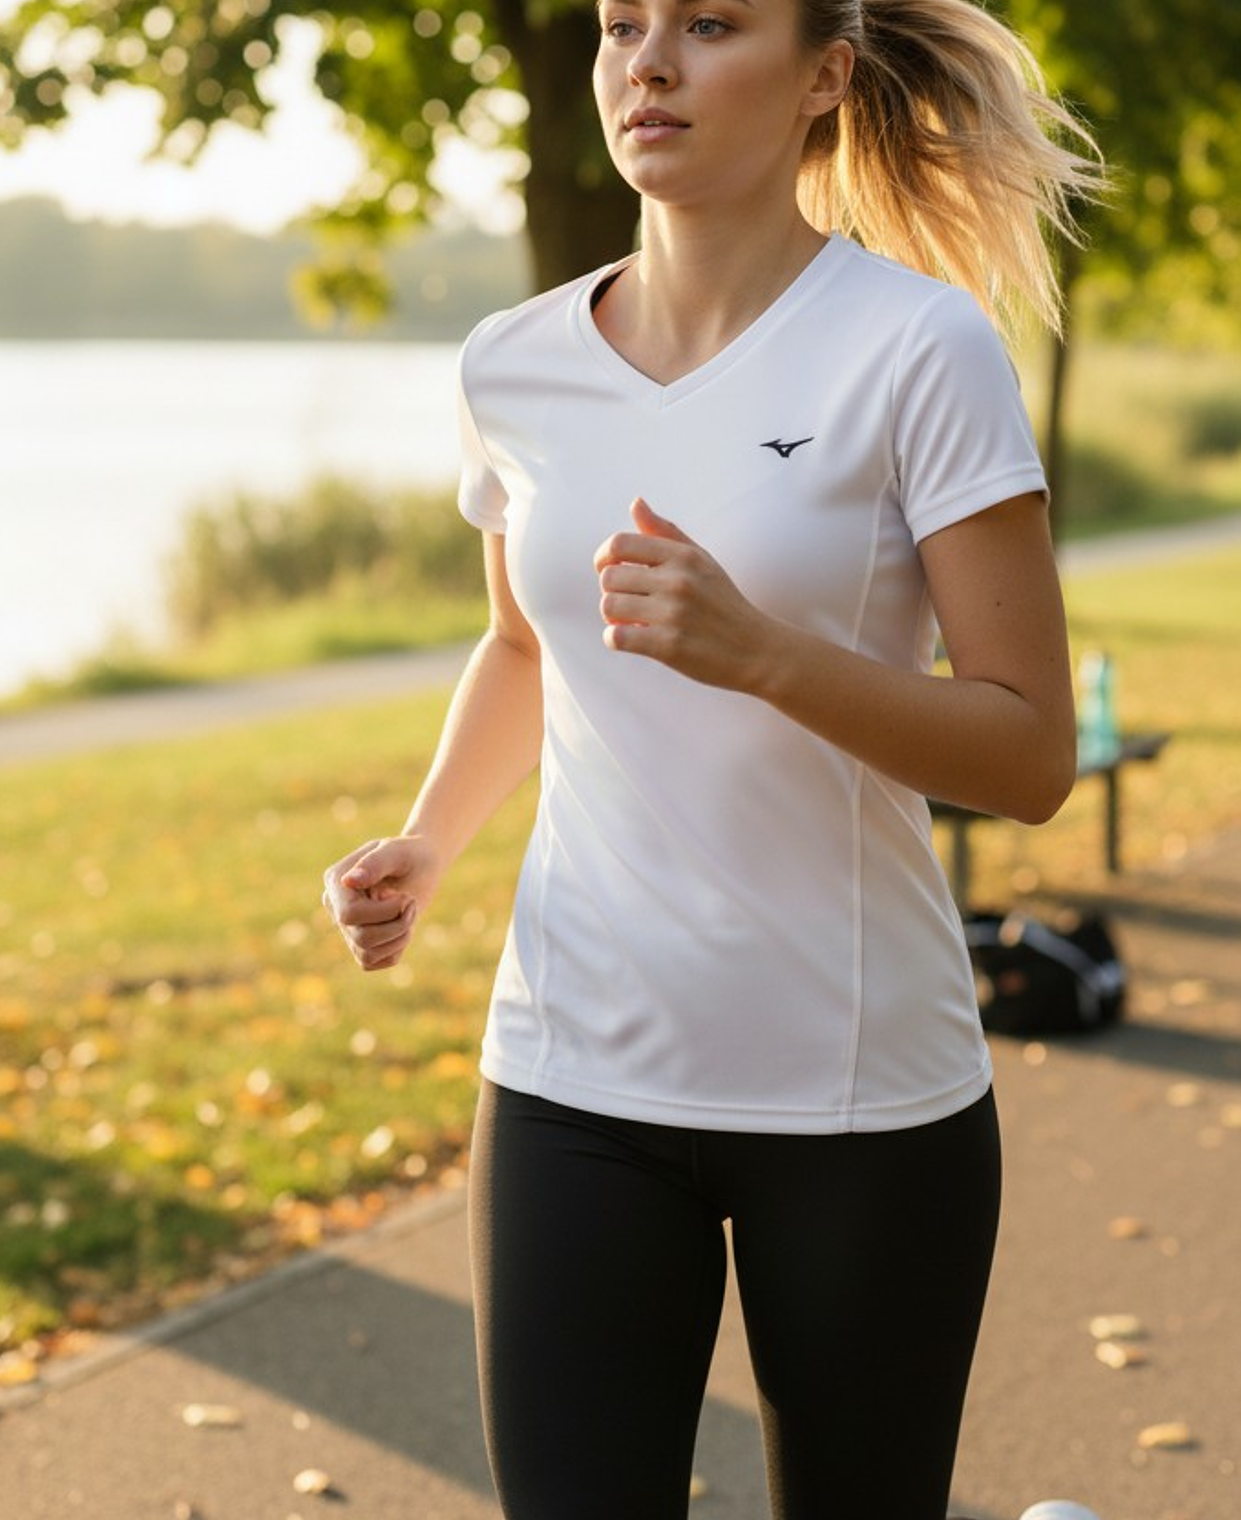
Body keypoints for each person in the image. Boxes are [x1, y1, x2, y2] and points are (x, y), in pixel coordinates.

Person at [323, 0, 1102, 1514]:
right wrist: (431, 838)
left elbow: (1029, 751)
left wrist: (767, 656)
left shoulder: (917, 346)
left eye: (712, 22)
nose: (648, 62)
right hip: (571, 1076)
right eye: (622, 25)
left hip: (857, 1098)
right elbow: (525, 646)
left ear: (825, 77)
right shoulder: (513, 366)